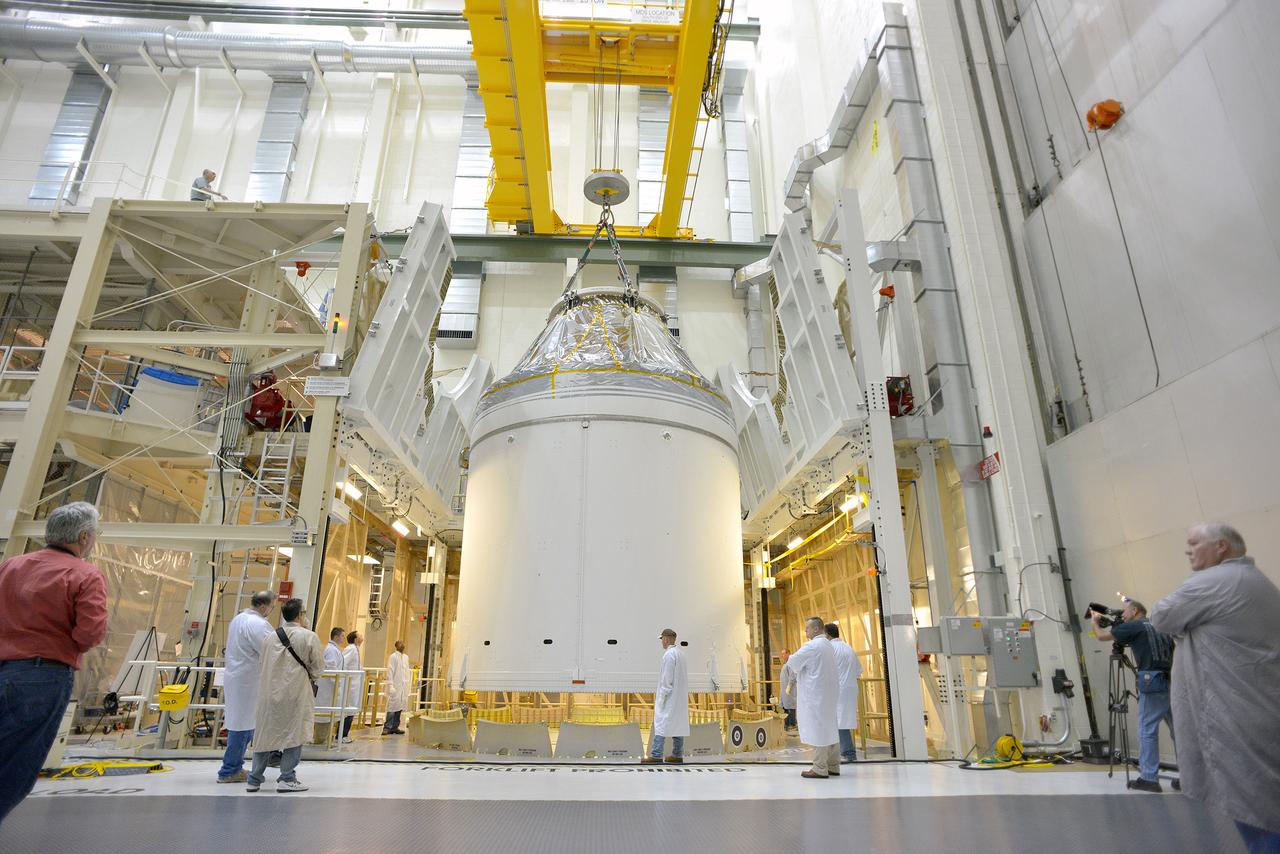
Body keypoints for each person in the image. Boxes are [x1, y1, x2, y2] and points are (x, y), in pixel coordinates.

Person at [1149, 523, 1280, 853]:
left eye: (1194, 543)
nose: (1187, 549)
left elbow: (1162, 616)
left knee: (1252, 801)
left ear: (1221, 546)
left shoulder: (1212, 581)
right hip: (1261, 705)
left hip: (1233, 714)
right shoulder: (1257, 582)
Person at [0, 502, 108, 823]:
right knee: (16, 763)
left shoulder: (10, 566)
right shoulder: (85, 574)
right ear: (85, 537)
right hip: (42, 676)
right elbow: (90, 633)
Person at [1091, 598, 1174, 792]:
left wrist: (1095, 622)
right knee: (1178, 731)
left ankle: (1149, 778)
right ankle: (1189, 777)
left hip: (1151, 681)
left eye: (1125, 611)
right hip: (1170, 679)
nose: (1123, 615)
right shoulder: (1160, 625)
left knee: (1147, 729)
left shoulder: (1135, 626)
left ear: (1135, 611)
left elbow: (1102, 636)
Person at [246, 598, 323, 793]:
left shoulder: (270, 637)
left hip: (270, 693)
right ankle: (287, 777)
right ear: (299, 615)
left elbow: (262, 663)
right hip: (296, 693)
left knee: (265, 733)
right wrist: (310, 677)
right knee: (294, 734)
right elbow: (318, 666)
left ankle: (254, 779)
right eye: (304, 612)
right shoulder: (309, 637)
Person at [217, 591, 275, 783]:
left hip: (238, 678)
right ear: (264, 606)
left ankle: (234, 766)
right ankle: (229, 770)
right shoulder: (257, 624)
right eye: (272, 606)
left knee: (240, 724)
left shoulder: (238, 619)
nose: (272, 610)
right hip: (248, 680)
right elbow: (270, 648)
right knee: (242, 727)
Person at [781, 616, 840, 779]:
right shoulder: (828, 645)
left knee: (818, 729)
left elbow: (792, 662)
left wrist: (788, 657)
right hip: (829, 694)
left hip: (816, 696)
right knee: (830, 728)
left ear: (816, 629)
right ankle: (833, 765)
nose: (805, 630)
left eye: (807, 628)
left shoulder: (812, 646)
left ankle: (820, 768)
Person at [642, 628, 689, 765]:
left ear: (666, 639)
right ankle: (677, 755)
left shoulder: (669, 655)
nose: (661, 642)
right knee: (678, 724)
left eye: (662, 639)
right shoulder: (681, 654)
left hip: (669, 697)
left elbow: (667, 680)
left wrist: (661, 698)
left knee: (661, 722)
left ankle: (656, 755)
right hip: (679, 698)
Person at [825, 623, 863, 762]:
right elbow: (859, 670)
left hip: (838, 690)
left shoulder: (830, 649)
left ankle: (848, 753)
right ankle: (845, 752)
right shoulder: (848, 648)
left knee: (838, 721)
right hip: (850, 688)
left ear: (827, 635)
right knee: (842, 721)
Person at [316, 627, 344, 739]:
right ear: (336, 636)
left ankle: (325, 740)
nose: (343, 638)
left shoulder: (334, 649)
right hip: (329, 688)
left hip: (332, 688)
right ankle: (321, 741)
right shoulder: (331, 650)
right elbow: (331, 668)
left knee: (329, 716)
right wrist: (337, 684)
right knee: (324, 717)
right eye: (342, 636)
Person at [382, 641, 410, 736]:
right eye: (400, 644)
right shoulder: (393, 657)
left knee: (399, 706)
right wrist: (390, 685)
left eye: (403, 643)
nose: (402, 645)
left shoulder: (406, 657)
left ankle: (395, 727)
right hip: (395, 685)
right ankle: (387, 727)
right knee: (392, 707)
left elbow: (406, 671)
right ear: (396, 646)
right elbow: (390, 670)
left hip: (403, 686)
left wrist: (407, 685)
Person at [340, 630, 364, 743]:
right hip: (350, 685)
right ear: (355, 639)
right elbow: (343, 662)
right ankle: (342, 735)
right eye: (359, 635)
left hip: (354, 685)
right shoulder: (351, 649)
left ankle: (344, 734)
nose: (362, 636)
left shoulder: (356, 649)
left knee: (351, 709)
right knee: (348, 710)